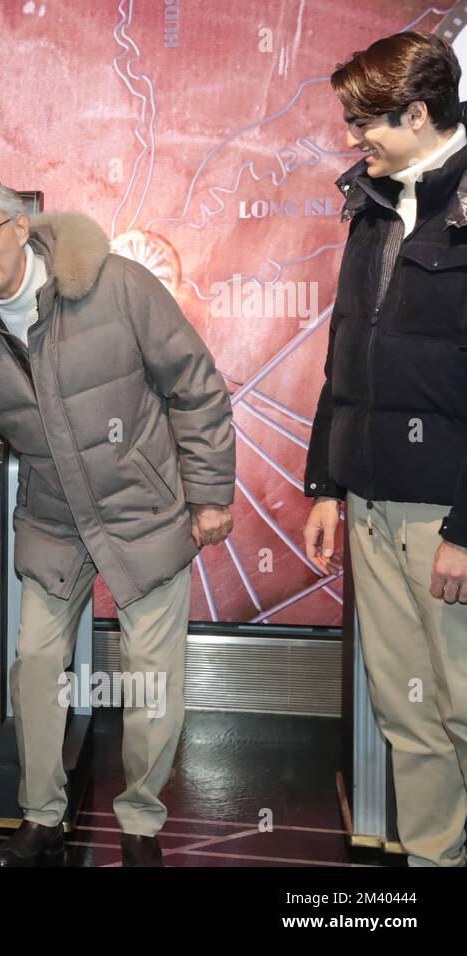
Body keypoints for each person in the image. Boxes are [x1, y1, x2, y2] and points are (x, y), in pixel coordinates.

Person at [0, 174, 235, 866]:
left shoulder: (117, 285)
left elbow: (195, 383)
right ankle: (42, 818)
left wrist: (211, 494)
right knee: (36, 664)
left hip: (144, 512)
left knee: (152, 676)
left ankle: (140, 827)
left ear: (19, 228)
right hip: (53, 522)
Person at [303, 31, 467, 867]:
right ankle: (438, 860)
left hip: (446, 518)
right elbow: (345, 354)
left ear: (417, 111)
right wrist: (327, 486)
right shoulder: (372, 203)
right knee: (407, 712)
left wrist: (466, 532)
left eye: (365, 120)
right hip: (368, 505)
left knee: (465, 705)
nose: (352, 136)